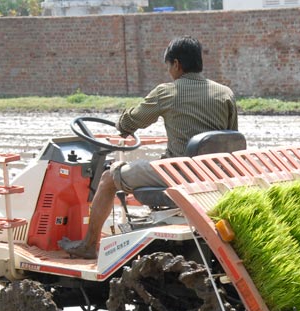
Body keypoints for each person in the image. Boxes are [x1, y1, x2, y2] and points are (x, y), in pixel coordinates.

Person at [59, 36, 238, 259]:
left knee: (108, 178)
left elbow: (130, 122)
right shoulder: (225, 93)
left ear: (176, 64)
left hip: (177, 173)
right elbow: (231, 137)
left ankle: (88, 245)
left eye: (168, 66)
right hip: (211, 173)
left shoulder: (167, 92)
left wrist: (123, 124)